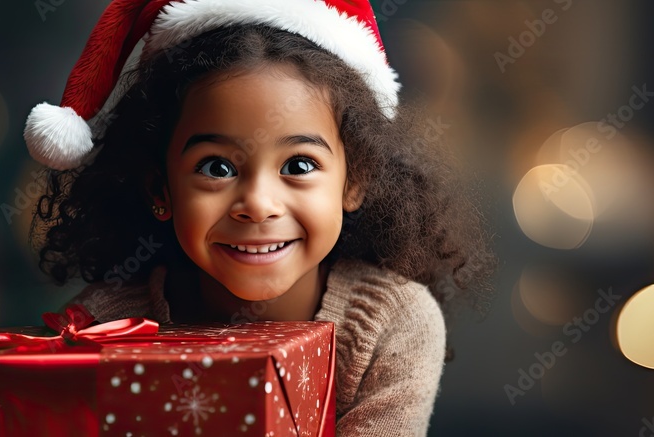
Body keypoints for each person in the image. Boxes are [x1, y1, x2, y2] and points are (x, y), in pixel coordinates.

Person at [26, 1, 493, 435]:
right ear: (160, 189)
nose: (258, 203)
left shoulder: (393, 325)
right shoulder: (100, 328)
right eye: (217, 168)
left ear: (355, 179)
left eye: (298, 165)